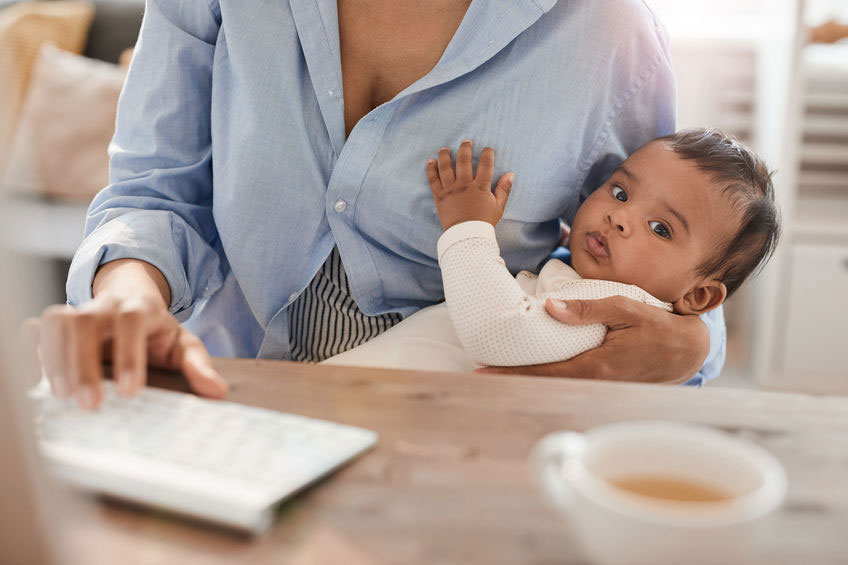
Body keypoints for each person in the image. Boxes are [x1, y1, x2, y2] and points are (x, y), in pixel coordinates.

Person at [25, 0, 725, 410]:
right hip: (228, 397)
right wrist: (126, 291)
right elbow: (156, 188)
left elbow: (674, 246)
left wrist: (695, 343)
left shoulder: (608, 32)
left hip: (466, 435)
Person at [325, 130, 779, 380]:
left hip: (391, 417)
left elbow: (497, 332)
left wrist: (468, 228)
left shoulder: (620, 318)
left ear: (698, 297)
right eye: (620, 192)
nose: (619, 218)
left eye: (660, 228)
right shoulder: (580, 272)